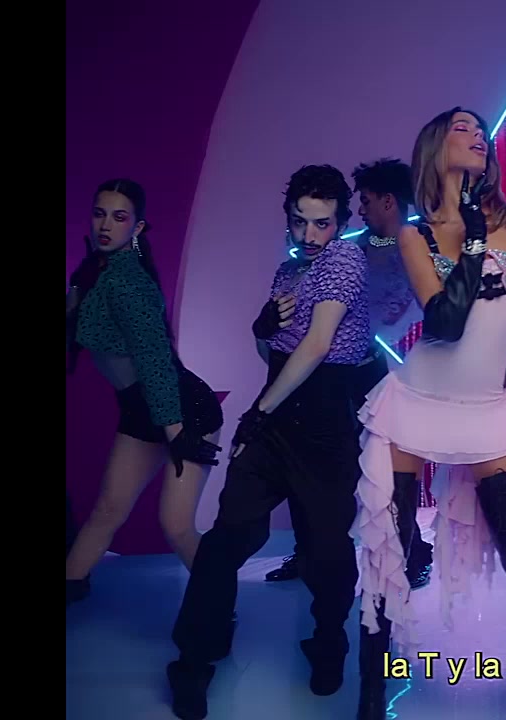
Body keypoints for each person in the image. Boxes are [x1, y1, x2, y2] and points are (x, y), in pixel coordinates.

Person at [351, 108, 506, 719]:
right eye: (462, 127)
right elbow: (446, 324)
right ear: (435, 145)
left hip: (483, 409)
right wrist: (474, 235)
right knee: (389, 551)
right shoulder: (414, 235)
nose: (478, 135)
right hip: (415, 403)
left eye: (482, 130)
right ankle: (369, 699)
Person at [165, 165, 369, 720]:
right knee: (228, 537)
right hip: (277, 419)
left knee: (327, 551)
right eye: (300, 221)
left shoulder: (345, 258)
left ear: (341, 221)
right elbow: (275, 356)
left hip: (323, 426)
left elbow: (318, 346)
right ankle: (194, 658)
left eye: (322, 223)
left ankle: (329, 644)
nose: (310, 234)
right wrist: (261, 331)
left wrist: (257, 412)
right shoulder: (288, 270)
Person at [261, 158, 435, 591]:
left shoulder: (419, 247)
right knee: (309, 465)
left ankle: (413, 552)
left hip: (375, 373)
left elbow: (433, 308)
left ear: (388, 201)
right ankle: (307, 552)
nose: (360, 210)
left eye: (367, 201)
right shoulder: (348, 247)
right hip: (328, 375)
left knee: (387, 472)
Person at [66, 179, 223, 606]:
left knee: (176, 525)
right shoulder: (98, 272)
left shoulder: (129, 283)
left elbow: (155, 363)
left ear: (136, 228)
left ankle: (216, 607)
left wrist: (176, 435)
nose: (105, 225)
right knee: (107, 509)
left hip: (183, 412)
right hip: (141, 411)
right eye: (99, 214)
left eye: (119, 217)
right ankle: (71, 584)